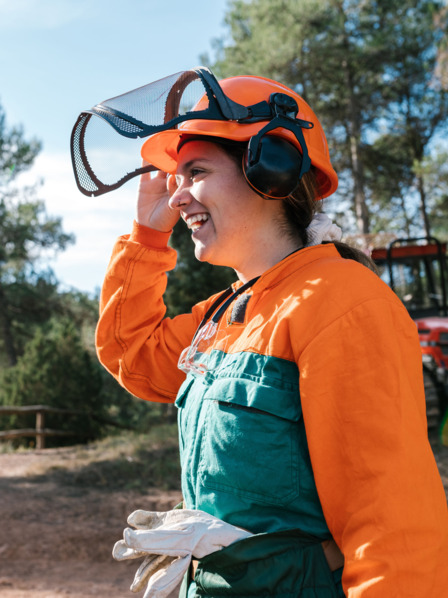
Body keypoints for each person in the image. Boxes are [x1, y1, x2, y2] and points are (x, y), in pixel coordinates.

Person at [94, 72, 448, 597]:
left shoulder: (343, 303)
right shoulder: (227, 313)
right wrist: (147, 234)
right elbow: (133, 353)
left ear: (272, 168)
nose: (178, 198)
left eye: (195, 172)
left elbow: (391, 528)